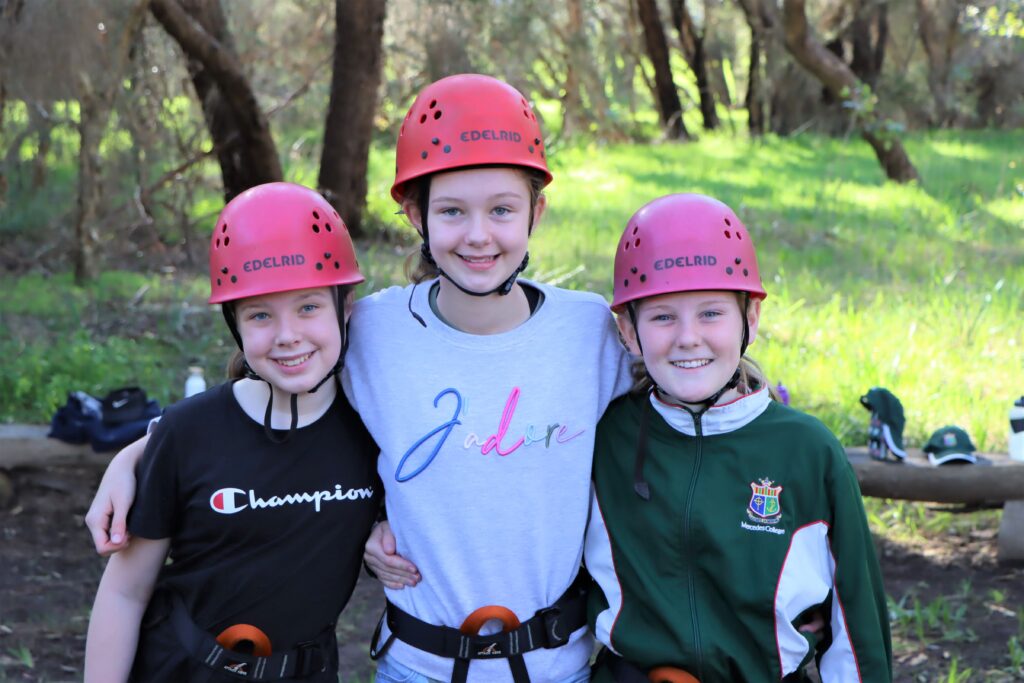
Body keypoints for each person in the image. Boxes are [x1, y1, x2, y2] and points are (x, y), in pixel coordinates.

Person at [86, 75, 634, 683]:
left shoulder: (590, 331)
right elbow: (263, 400)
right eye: (452, 211)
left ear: (537, 211)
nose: (478, 234)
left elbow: (672, 399)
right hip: (417, 668)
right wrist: (137, 455)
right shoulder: (373, 332)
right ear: (415, 214)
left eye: (502, 209)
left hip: (558, 666)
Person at [583, 194, 892, 683]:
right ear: (628, 330)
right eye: (662, 316)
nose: (688, 337)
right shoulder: (605, 439)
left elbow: (856, 622)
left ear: (750, 318)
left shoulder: (807, 452)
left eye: (711, 313)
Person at [83, 182, 381, 683]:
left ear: (345, 307)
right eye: (260, 314)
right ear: (234, 323)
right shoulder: (187, 433)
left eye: (308, 307)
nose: (287, 336)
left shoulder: (373, 426)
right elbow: (125, 592)